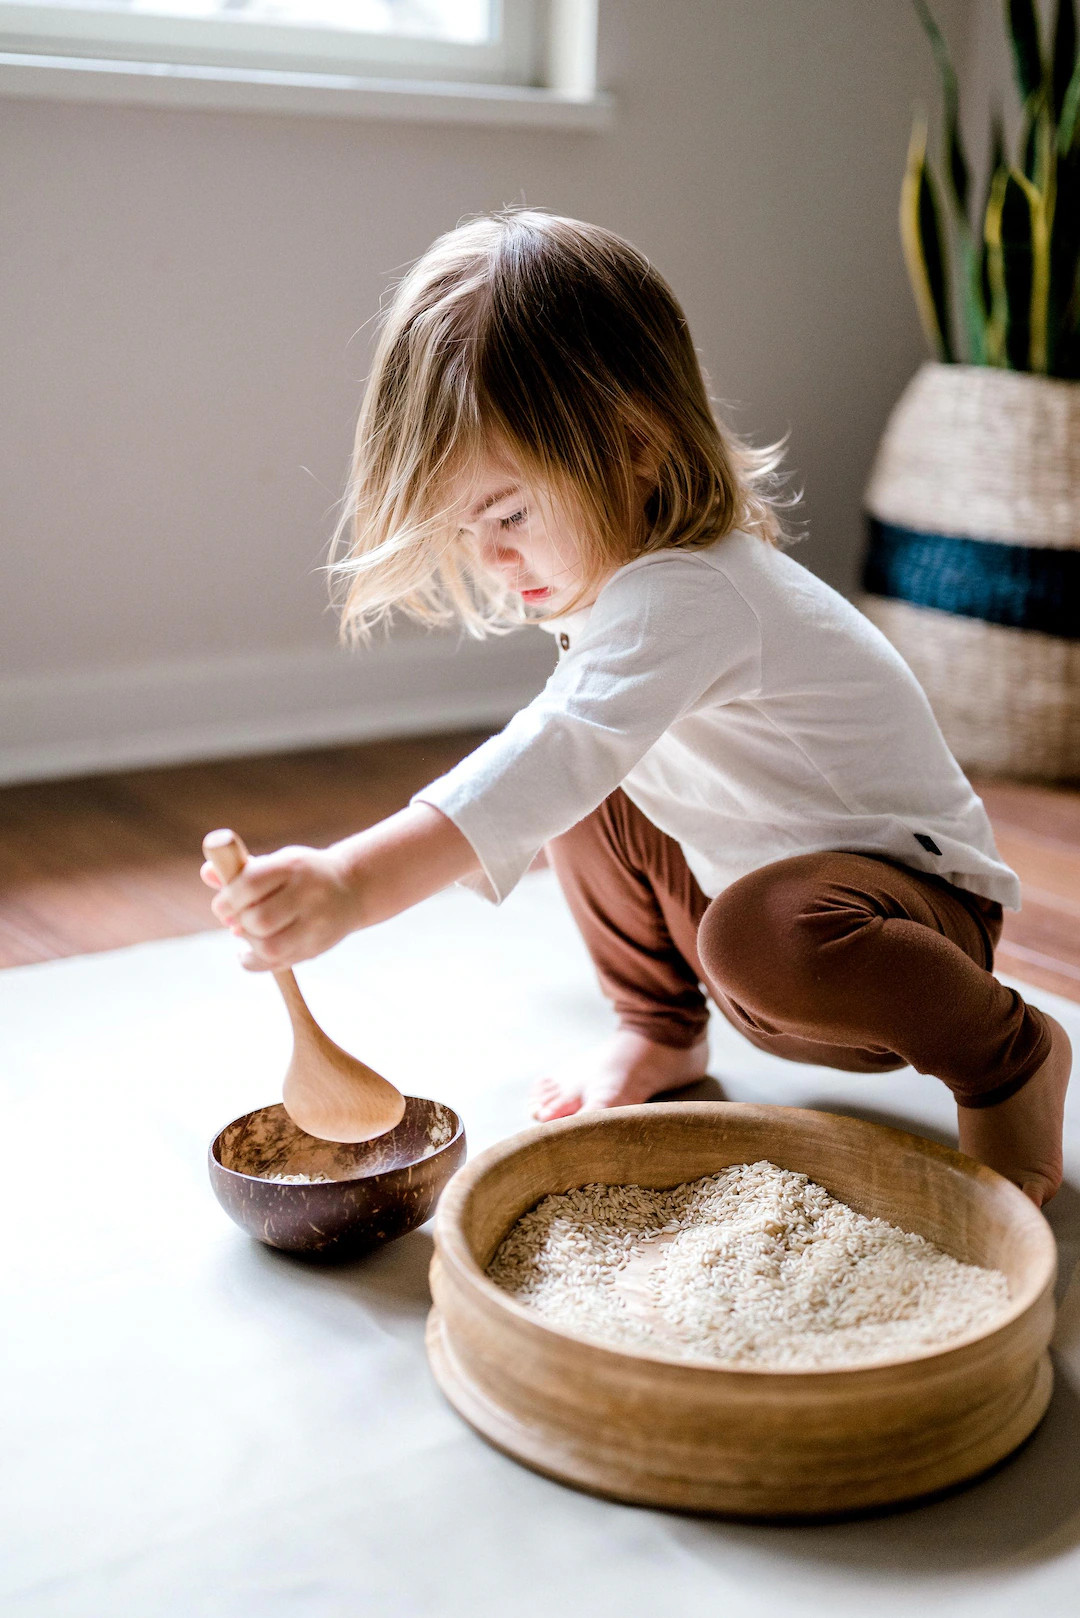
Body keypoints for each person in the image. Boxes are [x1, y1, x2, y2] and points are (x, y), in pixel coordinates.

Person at [202, 209, 1071, 1207]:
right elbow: (571, 760)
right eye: (465, 525)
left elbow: (552, 747)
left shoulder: (688, 592)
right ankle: (659, 1025)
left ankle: (1011, 1055)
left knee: (719, 900)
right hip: (766, 923)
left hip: (911, 938)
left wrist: (351, 885)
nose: (490, 558)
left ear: (635, 448)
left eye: (511, 514)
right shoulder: (626, 586)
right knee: (598, 798)